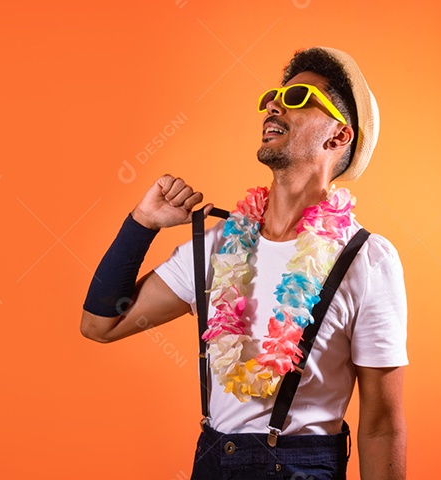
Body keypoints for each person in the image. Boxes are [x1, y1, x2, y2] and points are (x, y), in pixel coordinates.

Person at [80, 47, 407, 479]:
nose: (273, 104)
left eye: (296, 98)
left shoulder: (367, 259)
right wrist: (142, 224)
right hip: (214, 462)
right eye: (273, 96)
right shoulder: (215, 245)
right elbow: (100, 325)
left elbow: (381, 425)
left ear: (338, 136)